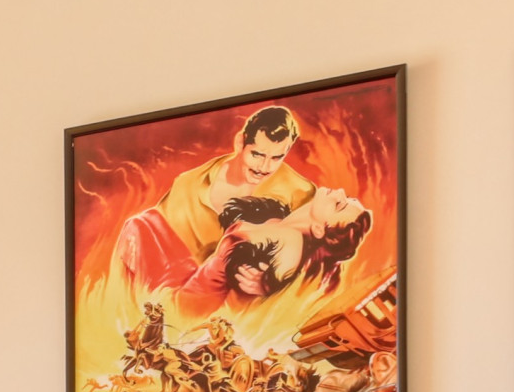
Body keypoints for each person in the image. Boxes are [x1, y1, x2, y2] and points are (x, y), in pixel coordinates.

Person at [112, 105, 319, 295]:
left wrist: (268, 283)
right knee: (138, 225)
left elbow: (315, 261)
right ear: (240, 143)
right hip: (182, 288)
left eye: (276, 158)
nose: (265, 167)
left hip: (243, 297)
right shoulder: (188, 184)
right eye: (257, 154)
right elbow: (156, 243)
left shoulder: (301, 192)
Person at [174, 187, 375, 317]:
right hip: (189, 294)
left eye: (339, 205)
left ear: (319, 230)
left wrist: (266, 284)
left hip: (193, 308)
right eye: (348, 198)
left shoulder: (290, 243)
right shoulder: (281, 222)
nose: (340, 192)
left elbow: (270, 285)